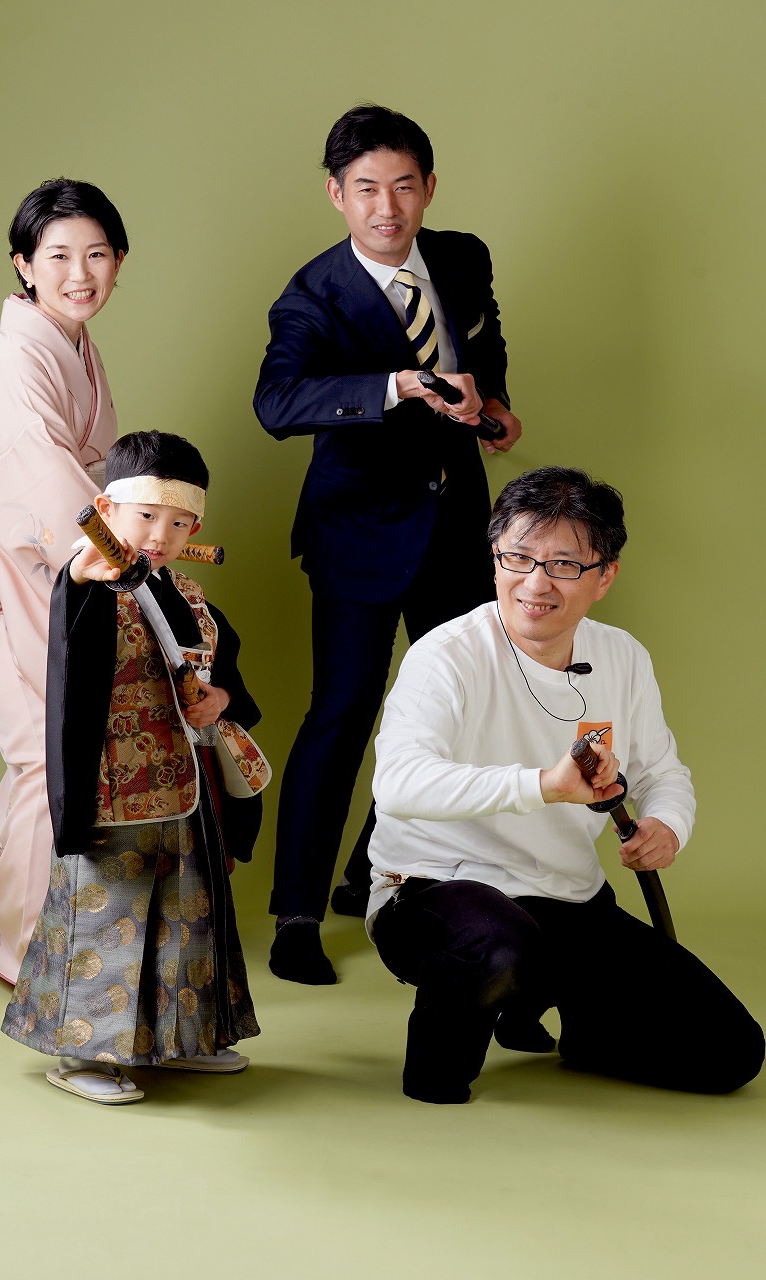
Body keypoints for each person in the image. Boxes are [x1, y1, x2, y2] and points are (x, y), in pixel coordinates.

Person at [367, 466, 765, 1104]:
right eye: (518, 558)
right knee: (499, 948)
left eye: (564, 565)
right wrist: (543, 785)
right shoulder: (446, 655)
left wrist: (668, 824)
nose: (535, 583)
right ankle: (444, 1057)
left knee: (730, 1053)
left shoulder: (623, 657)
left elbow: (662, 773)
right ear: (494, 557)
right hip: (435, 889)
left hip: (567, 899)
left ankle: (578, 1026)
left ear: (604, 576)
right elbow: (399, 785)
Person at [253, 104, 523, 985]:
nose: (387, 207)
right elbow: (276, 403)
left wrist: (494, 407)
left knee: (456, 710)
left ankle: (370, 867)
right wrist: (393, 387)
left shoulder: (463, 256)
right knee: (343, 713)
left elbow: (484, 341)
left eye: (404, 186)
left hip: (456, 526)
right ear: (337, 195)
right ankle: (296, 916)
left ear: (429, 188)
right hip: (358, 532)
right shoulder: (311, 295)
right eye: (366, 189)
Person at [2, 430, 262, 1104]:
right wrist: (79, 578)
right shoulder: (91, 582)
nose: (160, 534)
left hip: (185, 784)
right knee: (106, 912)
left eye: (180, 523)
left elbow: (225, 672)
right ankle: (81, 1051)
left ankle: (180, 1040)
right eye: (146, 515)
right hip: (111, 783)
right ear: (105, 509)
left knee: (188, 915)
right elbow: (70, 646)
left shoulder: (188, 592)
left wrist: (221, 699)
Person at [0, 179, 128, 982]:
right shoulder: (14, 362)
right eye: (59, 256)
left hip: (37, 571)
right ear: (24, 265)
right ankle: (29, 950)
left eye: (97, 255)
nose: (80, 274)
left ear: (118, 262)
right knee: (51, 755)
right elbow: (45, 490)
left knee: (48, 750)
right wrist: (125, 555)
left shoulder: (72, 347)